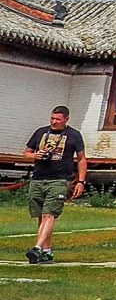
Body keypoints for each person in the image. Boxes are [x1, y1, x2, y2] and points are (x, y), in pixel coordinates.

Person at [23, 105, 87, 265]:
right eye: (52, 118)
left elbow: (81, 159)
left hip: (59, 179)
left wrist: (80, 181)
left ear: (66, 119)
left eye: (58, 119)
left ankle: (37, 248)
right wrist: (34, 155)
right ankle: (47, 251)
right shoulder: (40, 132)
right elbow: (26, 153)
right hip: (38, 178)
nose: (54, 122)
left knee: (48, 214)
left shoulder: (74, 135)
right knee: (40, 216)